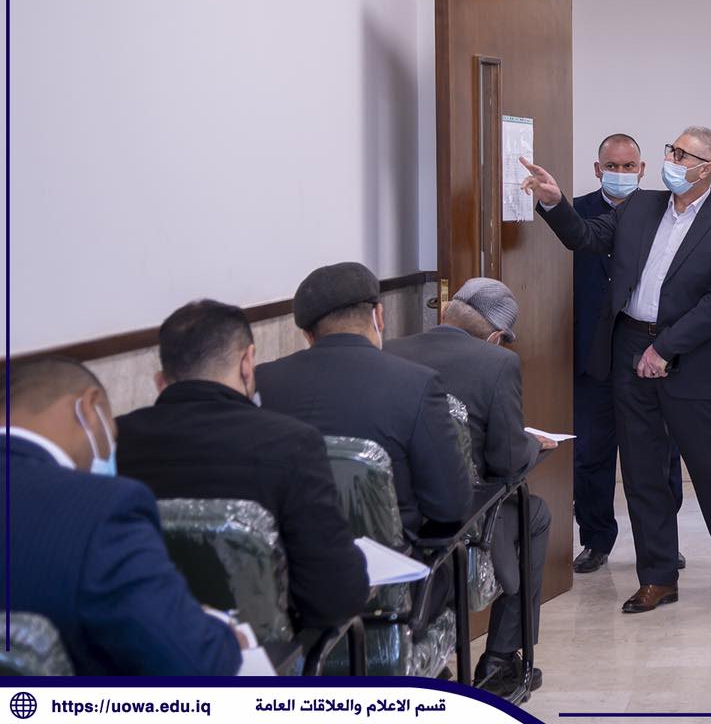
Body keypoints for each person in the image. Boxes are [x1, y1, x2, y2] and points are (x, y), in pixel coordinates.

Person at [521, 126, 711, 614]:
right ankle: (657, 577)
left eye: (682, 154)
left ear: (706, 169)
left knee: (709, 465)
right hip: (628, 346)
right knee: (641, 468)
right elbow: (587, 237)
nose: (671, 159)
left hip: (687, 355)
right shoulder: (639, 206)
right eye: (671, 151)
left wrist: (664, 348)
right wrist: (554, 203)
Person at [118, 299, 370, 631]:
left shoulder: (117, 440)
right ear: (247, 363)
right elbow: (336, 595)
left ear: (161, 379)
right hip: (270, 653)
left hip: (148, 643)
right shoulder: (292, 444)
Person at [256, 261, 472, 627]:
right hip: (393, 593)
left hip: (288, 589)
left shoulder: (264, 382)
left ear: (307, 333)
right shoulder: (416, 384)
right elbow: (450, 505)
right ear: (379, 315)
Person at [5, 357, 244, 675]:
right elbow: (195, 664)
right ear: (89, 408)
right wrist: (221, 631)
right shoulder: (101, 510)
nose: (109, 453)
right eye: (113, 438)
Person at [385, 277, 552, 696]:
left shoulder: (390, 352)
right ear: (496, 337)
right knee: (535, 514)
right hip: (465, 521)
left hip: (396, 515)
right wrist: (534, 443)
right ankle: (500, 661)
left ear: (446, 311)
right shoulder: (497, 363)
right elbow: (507, 462)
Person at [570, 133, 685, 575]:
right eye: (612, 166)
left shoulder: (662, 211)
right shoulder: (576, 213)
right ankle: (595, 539)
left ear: (642, 169)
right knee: (591, 454)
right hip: (592, 355)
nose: (620, 173)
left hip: (646, 352)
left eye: (628, 166)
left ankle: (662, 542)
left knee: (659, 454)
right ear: (598, 169)